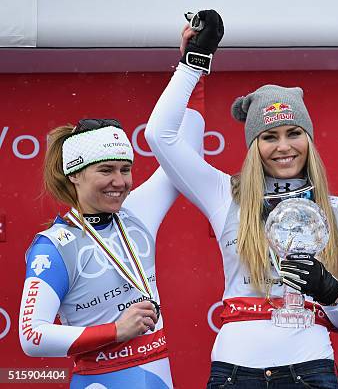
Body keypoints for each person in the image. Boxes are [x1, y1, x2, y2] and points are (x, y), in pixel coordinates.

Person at [145, 9, 338, 389]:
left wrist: (327, 289)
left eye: (293, 133)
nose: (283, 147)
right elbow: (159, 135)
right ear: (253, 145)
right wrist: (193, 64)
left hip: (309, 370)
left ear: (309, 140)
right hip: (234, 372)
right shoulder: (224, 195)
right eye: (269, 136)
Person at [18, 115, 203, 388]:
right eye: (106, 170)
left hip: (158, 375)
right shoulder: (54, 245)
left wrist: (191, 74)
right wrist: (116, 331)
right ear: (74, 174)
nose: (119, 181)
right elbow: (31, 336)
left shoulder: (138, 212)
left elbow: (187, 146)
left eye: (125, 169)